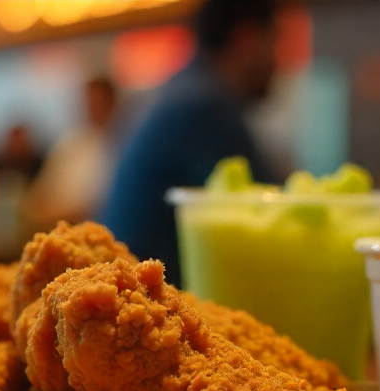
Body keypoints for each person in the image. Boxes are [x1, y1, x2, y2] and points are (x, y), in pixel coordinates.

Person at [100, 0, 278, 287]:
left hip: (121, 288)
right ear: (247, 39)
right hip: (142, 306)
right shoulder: (206, 105)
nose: (278, 62)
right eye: (275, 42)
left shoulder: (177, 91)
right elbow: (274, 214)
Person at [26, 76, 118, 227]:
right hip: (56, 228)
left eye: (97, 101)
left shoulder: (121, 144)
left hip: (101, 229)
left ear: (111, 103)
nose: (91, 107)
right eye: (87, 101)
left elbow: (104, 202)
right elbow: (41, 193)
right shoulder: (69, 144)